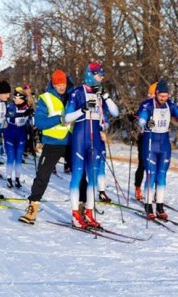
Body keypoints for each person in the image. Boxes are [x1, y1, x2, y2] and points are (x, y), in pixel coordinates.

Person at [64, 62, 119, 228]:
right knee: (77, 177)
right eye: (99, 74)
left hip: (95, 140)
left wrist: (106, 96)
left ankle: (89, 212)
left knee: (93, 179)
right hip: (80, 139)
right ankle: (75, 214)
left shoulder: (100, 93)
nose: (102, 77)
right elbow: (66, 118)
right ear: (90, 74)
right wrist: (82, 110)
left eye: (102, 74)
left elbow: (115, 112)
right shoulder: (77, 93)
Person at [137, 79, 178, 219]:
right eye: (161, 95)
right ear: (156, 93)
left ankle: (160, 206)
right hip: (150, 141)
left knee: (162, 176)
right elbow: (141, 120)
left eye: (166, 96)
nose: (163, 98)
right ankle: (149, 206)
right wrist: (145, 123)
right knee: (151, 174)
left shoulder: (170, 105)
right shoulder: (147, 104)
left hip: (164, 144)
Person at [19, 70, 72, 224]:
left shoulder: (72, 96)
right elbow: (40, 123)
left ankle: (81, 209)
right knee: (42, 175)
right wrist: (59, 119)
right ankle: (32, 208)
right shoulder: (46, 98)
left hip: (71, 141)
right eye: (58, 84)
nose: (61, 87)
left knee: (80, 176)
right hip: (53, 142)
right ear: (53, 84)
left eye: (63, 84)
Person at [4, 88, 32, 189]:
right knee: (11, 158)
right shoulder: (10, 106)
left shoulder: (27, 107)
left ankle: (17, 179)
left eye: (18, 98)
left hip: (21, 134)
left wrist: (30, 117)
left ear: (23, 99)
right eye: (14, 97)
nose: (15, 99)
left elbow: (30, 122)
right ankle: (8, 178)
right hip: (10, 133)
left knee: (19, 159)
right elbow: (11, 117)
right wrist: (24, 114)